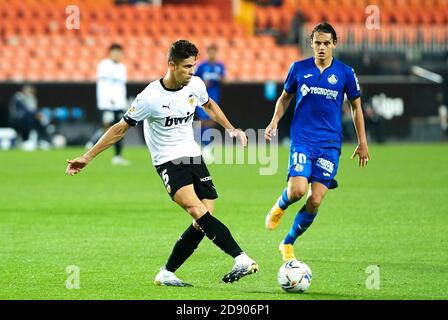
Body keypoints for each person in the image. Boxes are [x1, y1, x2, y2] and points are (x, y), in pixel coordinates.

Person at [66, 40, 258, 286]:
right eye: (187, 67)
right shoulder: (150, 97)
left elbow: (208, 104)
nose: (192, 72)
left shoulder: (196, 85)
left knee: (206, 217)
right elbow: (119, 129)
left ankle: (167, 273)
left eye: (194, 66)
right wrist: (88, 156)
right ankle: (240, 257)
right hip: (168, 161)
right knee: (196, 211)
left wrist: (231, 129)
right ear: (171, 65)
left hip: (192, 155)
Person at [264, 22, 371, 261]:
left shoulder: (345, 73)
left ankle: (288, 242)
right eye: (317, 43)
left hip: (330, 144)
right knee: (298, 190)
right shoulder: (299, 68)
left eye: (326, 43)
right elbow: (284, 99)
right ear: (311, 44)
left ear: (334, 44)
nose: (321, 47)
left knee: (315, 200)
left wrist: (362, 141)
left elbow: (356, 107)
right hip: (302, 139)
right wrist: (274, 122)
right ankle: (280, 205)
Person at [87, 43, 130, 165]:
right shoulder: (104, 65)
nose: (118, 55)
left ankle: (117, 156)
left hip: (119, 104)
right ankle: (92, 144)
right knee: (107, 127)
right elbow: (104, 85)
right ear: (110, 53)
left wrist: (122, 102)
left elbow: (121, 87)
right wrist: (109, 99)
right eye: (115, 52)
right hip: (107, 104)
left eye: (120, 53)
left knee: (120, 129)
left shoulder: (122, 67)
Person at [194, 43, 225, 162]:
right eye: (210, 51)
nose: (212, 53)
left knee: (212, 121)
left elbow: (225, 80)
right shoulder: (202, 66)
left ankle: (206, 148)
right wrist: (202, 82)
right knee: (202, 121)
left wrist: (219, 78)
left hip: (214, 96)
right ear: (207, 53)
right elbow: (193, 79)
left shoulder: (220, 66)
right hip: (202, 97)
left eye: (214, 51)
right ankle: (198, 146)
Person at [9, 84, 50, 150]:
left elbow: (34, 109)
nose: (30, 92)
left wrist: (39, 115)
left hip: (30, 119)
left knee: (43, 120)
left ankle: (41, 140)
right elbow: (24, 110)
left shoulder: (32, 98)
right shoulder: (18, 97)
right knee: (28, 119)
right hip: (18, 119)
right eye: (28, 90)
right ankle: (25, 140)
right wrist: (35, 114)